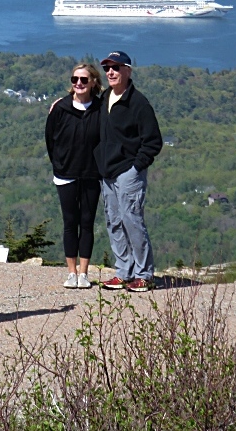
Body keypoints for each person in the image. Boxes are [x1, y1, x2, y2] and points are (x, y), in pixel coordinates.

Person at [94, 51, 163, 293]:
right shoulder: (105, 98)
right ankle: (124, 272)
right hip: (107, 172)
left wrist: (136, 167)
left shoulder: (138, 103)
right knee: (114, 222)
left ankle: (144, 275)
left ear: (128, 71)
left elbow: (153, 141)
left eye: (116, 67)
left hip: (128, 172)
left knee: (132, 221)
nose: (110, 72)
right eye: (107, 68)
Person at [45, 62, 104, 290]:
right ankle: (71, 272)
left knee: (87, 223)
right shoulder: (60, 108)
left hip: (91, 174)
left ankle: (84, 273)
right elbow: (50, 139)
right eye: (75, 79)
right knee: (70, 223)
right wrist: (59, 163)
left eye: (83, 80)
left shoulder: (101, 109)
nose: (78, 83)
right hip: (66, 174)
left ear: (93, 83)